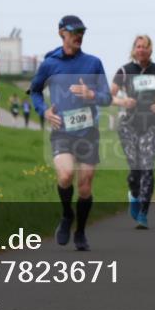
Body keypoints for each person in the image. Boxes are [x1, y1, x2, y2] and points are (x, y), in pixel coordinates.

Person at [29, 15, 111, 251]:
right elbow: (35, 91)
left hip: (88, 132)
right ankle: (67, 214)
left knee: (85, 185)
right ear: (61, 33)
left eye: (82, 32)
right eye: (74, 32)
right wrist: (44, 111)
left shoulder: (93, 63)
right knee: (65, 176)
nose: (79, 36)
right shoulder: (50, 64)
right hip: (62, 130)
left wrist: (92, 95)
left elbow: (107, 98)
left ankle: (81, 231)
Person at [111, 35, 155, 229]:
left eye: (145, 47)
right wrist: (122, 101)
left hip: (151, 124)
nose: (141, 50)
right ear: (134, 49)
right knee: (135, 170)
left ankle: (143, 213)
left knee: (147, 168)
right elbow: (110, 95)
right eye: (138, 46)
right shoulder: (124, 71)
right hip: (129, 124)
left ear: (150, 50)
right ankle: (134, 195)